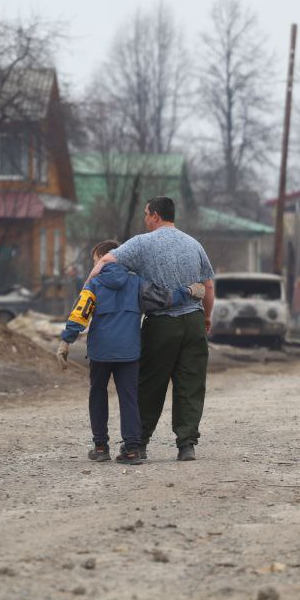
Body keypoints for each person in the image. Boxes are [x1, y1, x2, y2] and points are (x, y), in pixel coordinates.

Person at [57, 239, 204, 465]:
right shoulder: (136, 284)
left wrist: (66, 341)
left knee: (98, 395)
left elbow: (81, 313)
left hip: (100, 351)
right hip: (129, 352)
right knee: (129, 398)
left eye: (96, 261)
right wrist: (189, 291)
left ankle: (100, 446)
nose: (95, 266)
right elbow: (164, 299)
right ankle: (133, 450)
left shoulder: (94, 284)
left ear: (105, 258)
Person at [93, 197, 214, 462]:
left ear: (156, 216)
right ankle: (186, 445)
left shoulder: (142, 242)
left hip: (161, 323)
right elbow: (208, 285)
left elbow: (107, 261)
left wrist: (88, 287)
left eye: (146, 214)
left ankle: (138, 444)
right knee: (190, 384)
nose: (145, 218)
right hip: (193, 320)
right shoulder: (194, 244)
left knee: (149, 384)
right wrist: (206, 316)